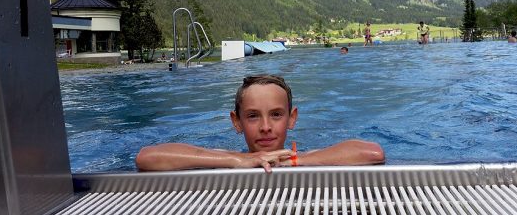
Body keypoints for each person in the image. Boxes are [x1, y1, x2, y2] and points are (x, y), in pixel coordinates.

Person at [135, 75, 384, 173]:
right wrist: (238, 160)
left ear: (292, 118)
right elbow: (147, 157)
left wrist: (291, 160)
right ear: (237, 122)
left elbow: (372, 153)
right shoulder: (226, 157)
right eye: (253, 116)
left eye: (276, 115)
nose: (265, 126)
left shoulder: (305, 156)